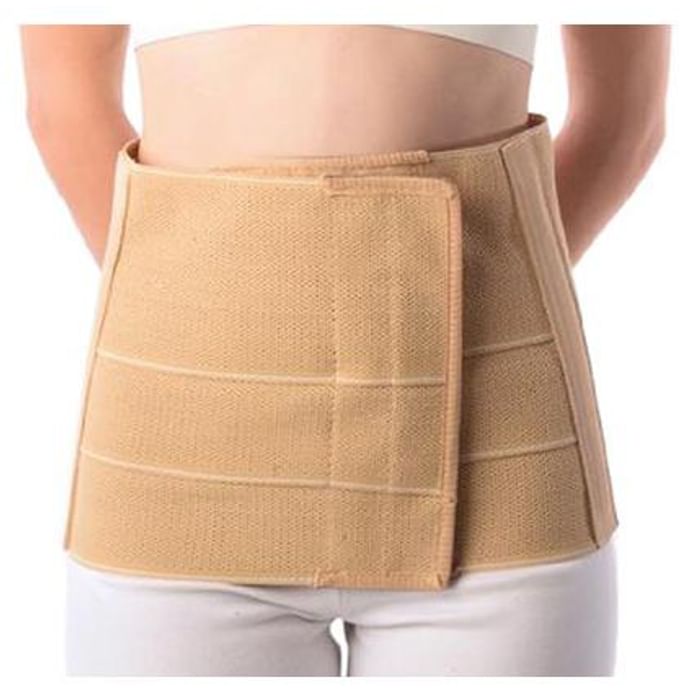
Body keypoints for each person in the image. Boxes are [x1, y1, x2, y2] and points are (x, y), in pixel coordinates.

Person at [20, 24, 670, 676]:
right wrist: (211, 307)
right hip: (177, 446)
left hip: (498, 446)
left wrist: (451, 303)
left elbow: (625, 120)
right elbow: (65, 100)